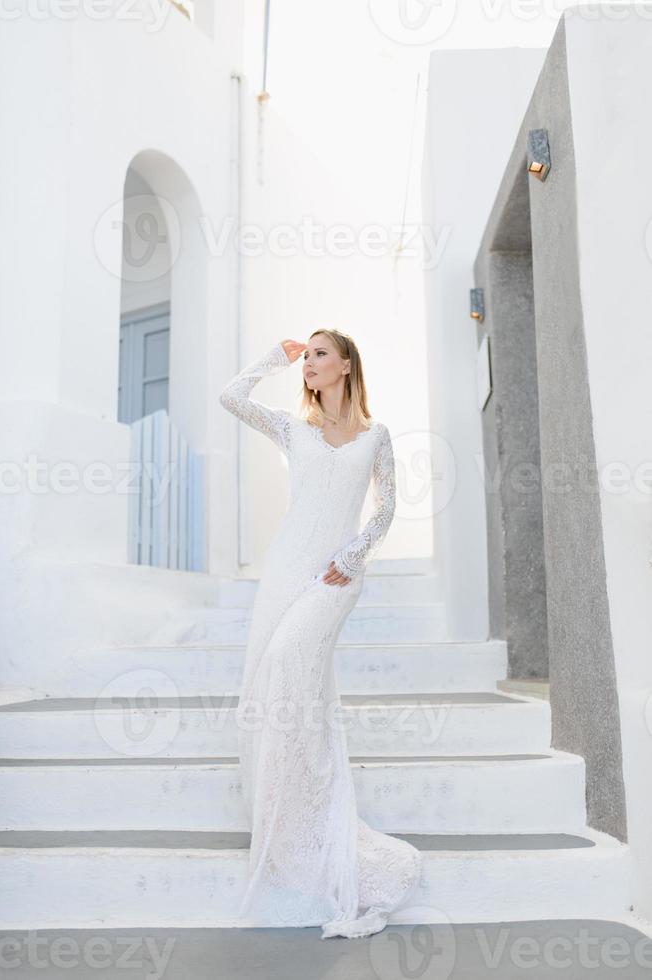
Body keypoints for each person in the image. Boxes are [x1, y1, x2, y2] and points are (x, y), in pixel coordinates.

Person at [218, 329, 423, 939]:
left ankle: (318, 817)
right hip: (285, 566)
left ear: (345, 364)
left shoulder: (375, 435)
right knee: (278, 681)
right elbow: (231, 398)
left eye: (317, 354)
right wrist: (268, 362)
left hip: (335, 574)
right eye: (305, 355)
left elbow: (385, 508)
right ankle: (288, 818)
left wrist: (355, 555)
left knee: (289, 660)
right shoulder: (292, 428)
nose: (308, 363)